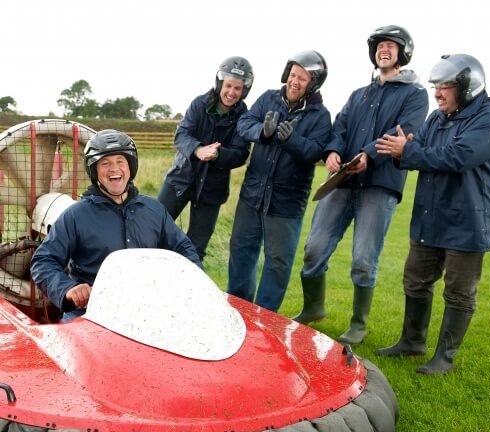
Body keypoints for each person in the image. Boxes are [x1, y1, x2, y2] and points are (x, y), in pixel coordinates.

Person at [292, 25, 429, 345]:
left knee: (364, 259)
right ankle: (313, 307)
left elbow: (402, 133)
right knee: (314, 248)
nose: (385, 50)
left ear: (402, 53)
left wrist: (368, 155)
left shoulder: (415, 94)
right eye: (380, 45)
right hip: (342, 182)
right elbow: (340, 127)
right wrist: (334, 152)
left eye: (391, 46)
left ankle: (358, 322)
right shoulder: (359, 94)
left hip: (380, 185)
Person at [375, 54, 490, 374]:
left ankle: (444, 356)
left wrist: (412, 151)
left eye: (445, 87)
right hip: (431, 216)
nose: (437, 93)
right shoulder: (436, 119)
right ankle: (412, 341)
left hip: (468, 221)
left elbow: (458, 157)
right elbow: (422, 155)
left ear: (467, 87)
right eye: (435, 86)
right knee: (415, 281)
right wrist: (403, 153)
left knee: (459, 292)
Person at [30, 129, 201, 321]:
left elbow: (183, 249)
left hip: (147, 312)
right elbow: (43, 261)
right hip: (89, 315)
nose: (114, 168)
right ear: (94, 171)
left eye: (120, 161)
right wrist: (68, 289)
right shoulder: (75, 215)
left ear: (131, 167)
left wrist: (195, 284)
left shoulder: (154, 210)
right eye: (105, 163)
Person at [227, 50, 331, 312]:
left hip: (286, 203)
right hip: (253, 195)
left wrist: (291, 140)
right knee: (241, 252)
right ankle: (238, 311)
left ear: (313, 84)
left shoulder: (320, 115)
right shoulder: (268, 98)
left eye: (303, 78)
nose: (295, 82)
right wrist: (262, 131)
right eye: (293, 75)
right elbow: (244, 123)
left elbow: (316, 151)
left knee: (278, 263)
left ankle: (265, 321)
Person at [157, 56, 253, 262]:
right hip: (180, 180)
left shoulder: (244, 116)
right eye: (228, 86)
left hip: (212, 189)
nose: (231, 92)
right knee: (152, 230)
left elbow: (241, 153)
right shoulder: (199, 104)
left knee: (195, 249)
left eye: (237, 88)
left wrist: (218, 155)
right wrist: (198, 150)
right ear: (220, 83)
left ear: (245, 90)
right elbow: (181, 135)